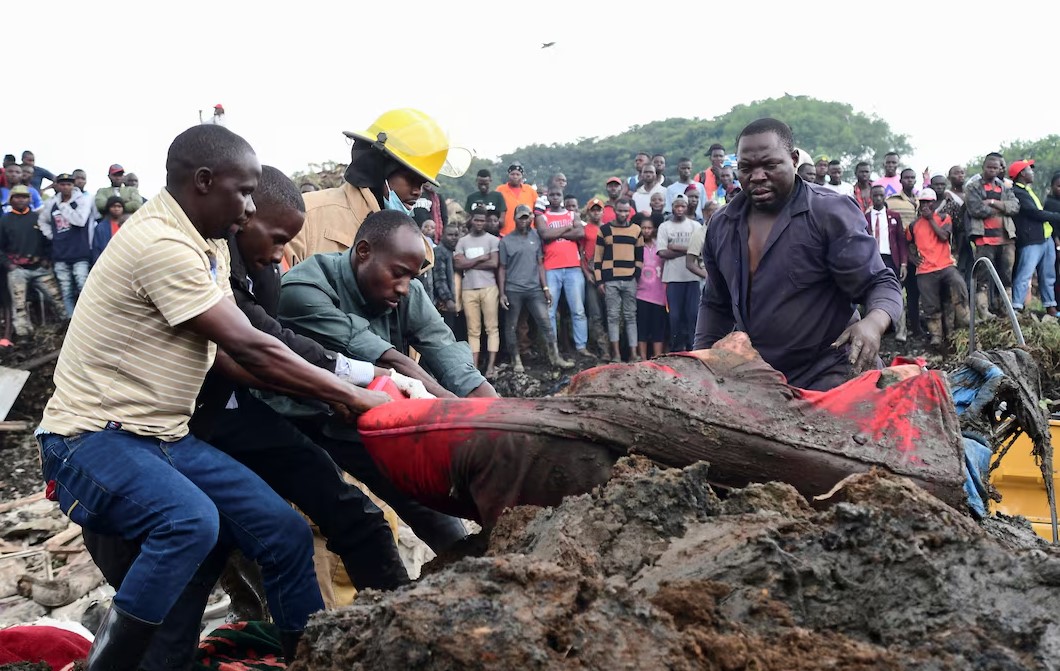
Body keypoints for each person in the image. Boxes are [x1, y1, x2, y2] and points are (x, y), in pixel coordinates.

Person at [36, 125, 391, 669]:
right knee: (190, 522)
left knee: (285, 532)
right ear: (204, 182)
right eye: (243, 191)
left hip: (166, 436)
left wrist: (333, 394)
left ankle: (304, 659)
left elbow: (228, 356)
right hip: (92, 436)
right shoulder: (160, 243)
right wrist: (356, 395)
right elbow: (249, 345)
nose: (249, 208)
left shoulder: (209, 247)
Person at [695, 118, 902, 391]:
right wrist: (699, 363)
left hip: (831, 370)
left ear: (793, 160)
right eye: (746, 168)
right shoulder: (722, 224)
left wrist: (873, 323)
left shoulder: (829, 213)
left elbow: (881, 283)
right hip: (760, 376)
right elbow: (715, 304)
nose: (757, 176)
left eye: (770, 165)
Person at [285, 108, 447, 266]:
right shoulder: (309, 213)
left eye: (422, 184)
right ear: (379, 168)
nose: (417, 192)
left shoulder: (409, 237)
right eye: (411, 179)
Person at [499, 204, 573, 372]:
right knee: (512, 325)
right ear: (515, 219)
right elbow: (502, 268)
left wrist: (545, 287)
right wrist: (502, 292)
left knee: (546, 323)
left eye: (527, 218)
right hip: (513, 288)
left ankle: (555, 357)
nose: (524, 221)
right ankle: (515, 359)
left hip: (534, 289)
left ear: (531, 219)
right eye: (521, 218)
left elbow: (540, 263)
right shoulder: (506, 241)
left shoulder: (536, 237)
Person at [906, 189, 969, 346]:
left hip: (945, 265)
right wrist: (912, 257)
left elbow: (943, 236)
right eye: (923, 202)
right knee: (930, 304)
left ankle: (962, 326)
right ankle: (936, 335)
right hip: (925, 270)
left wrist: (930, 219)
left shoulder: (943, 218)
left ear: (934, 203)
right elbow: (906, 243)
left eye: (928, 202)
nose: (925, 205)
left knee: (958, 287)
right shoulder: (913, 226)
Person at [0, 185, 65, 336]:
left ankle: (68, 325)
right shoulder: (4, 221)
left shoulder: (38, 218)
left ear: (30, 199)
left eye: (24, 197)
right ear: (11, 200)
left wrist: (47, 259)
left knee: (57, 298)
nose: (21, 200)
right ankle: (24, 336)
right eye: (17, 197)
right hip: (17, 270)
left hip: (40, 268)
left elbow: (48, 241)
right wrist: (8, 264)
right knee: (19, 305)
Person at [537, 185, 592, 358]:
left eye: (557, 194)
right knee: (550, 312)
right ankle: (552, 349)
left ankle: (581, 346)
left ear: (562, 196)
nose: (554, 197)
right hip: (551, 268)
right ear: (548, 197)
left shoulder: (572, 214)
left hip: (573, 268)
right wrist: (567, 229)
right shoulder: (541, 217)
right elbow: (544, 235)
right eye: (551, 194)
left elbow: (580, 232)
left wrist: (556, 233)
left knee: (578, 310)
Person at [965, 153, 1019, 320]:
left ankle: (1006, 310)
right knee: (983, 277)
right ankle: (984, 312)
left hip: (1006, 239)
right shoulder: (973, 187)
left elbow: (1015, 206)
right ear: (983, 167)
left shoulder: (1004, 187)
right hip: (984, 239)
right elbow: (975, 209)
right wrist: (1002, 208)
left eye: (996, 168)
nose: (992, 170)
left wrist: (994, 203)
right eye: (989, 167)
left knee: (1006, 277)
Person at [594, 198, 643, 362]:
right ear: (614, 210)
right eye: (620, 210)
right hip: (610, 280)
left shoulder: (636, 230)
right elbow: (597, 258)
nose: (623, 213)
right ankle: (616, 354)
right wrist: (600, 281)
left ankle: (634, 354)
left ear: (630, 212)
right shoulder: (604, 230)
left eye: (626, 211)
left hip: (629, 279)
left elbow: (639, 256)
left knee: (631, 316)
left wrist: (636, 274)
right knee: (613, 316)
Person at [1008, 159, 1058, 319]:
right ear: (1022, 174)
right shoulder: (1018, 192)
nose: (1032, 172)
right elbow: (1034, 213)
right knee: (1025, 273)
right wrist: (1057, 216)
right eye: (1030, 169)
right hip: (1031, 240)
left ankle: (1050, 306)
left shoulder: (1027, 190)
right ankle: (1016, 307)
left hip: (1044, 237)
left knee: (1048, 275)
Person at [454, 208, 501, 376]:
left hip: (489, 287)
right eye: (477, 220)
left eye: (482, 220)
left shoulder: (492, 240)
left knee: (491, 328)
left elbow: (494, 264)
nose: (479, 223)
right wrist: (481, 258)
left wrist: (468, 262)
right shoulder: (463, 241)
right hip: (468, 289)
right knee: (473, 330)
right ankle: (474, 368)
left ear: (486, 222)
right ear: (471, 220)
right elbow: (458, 265)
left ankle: (490, 366)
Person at [38, 174, 93, 316]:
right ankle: (70, 321)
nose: (65, 187)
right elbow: (42, 221)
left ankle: (87, 318)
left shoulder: (82, 201)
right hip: (60, 253)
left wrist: (63, 206)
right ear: (57, 186)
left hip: (80, 252)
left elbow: (80, 221)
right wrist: (52, 235)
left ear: (73, 185)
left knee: (83, 287)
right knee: (65, 289)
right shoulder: (51, 203)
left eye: (69, 184)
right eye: (62, 184)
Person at [656, 194, 703, 351]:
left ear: (687, 207)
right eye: (677, 206)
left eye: (683, 206)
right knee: (674, 316)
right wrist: (690, 251)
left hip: (693, 277)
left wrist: (674, 247)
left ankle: (692, 348)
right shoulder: (665, 227)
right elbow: (662, 252)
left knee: (692, 315)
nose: (680, 209)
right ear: (672, 208)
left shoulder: (695, 226)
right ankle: (676, 349)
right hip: (673, 278)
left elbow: (701, 250)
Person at [866, 185, 908, 342]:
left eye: (881, 195)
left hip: (890, 258)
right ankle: (877, 329)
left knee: (896, 291)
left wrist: (903, 263)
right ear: (871, 197)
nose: (878, 198)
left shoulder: (894, 216)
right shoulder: (865, 217)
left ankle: (901, 330)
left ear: (885, 197)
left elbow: (901, 241)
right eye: (875, 195)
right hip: (872, 259)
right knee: (873, 292)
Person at [885, 168, 921, 336]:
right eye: (906, 178)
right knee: (898, 289)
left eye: (913, 178)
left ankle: (916, 326)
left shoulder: (921, 201)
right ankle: (898, 329)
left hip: (920, 252)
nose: (910, 180)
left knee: (915, 291)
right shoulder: (892, 201)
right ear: (900, 180)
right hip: (901, 251)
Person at [580, 198, 610, 357]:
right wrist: (586, 273)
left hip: (607, 275)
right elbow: (580, 253)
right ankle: (603, 349)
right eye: (593, 209)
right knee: (595, 313)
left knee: (610, 313)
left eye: (599, 209)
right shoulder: (585, 230)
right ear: (589, 211)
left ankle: (615, 348)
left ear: (603, 211)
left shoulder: (609, 229)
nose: (596, 212)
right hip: (591, 275)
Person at [636, 213, 667, 360]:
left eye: (649, 228)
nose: (646, 230)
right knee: (642, 327)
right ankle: (642, 359)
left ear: (654, 229)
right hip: (640, 294)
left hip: (659, 294)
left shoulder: (659, 246)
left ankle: (657, 358)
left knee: (658, 328)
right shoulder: (636, 247)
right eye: (644, 228)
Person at [433, 223, 462, 339]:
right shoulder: (440, 251)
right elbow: (439, 277)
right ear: (443, 235)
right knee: (446, 334)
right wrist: (448, 299)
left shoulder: (453, 251)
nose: (454, 238)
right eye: (450, 235)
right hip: (445, 304)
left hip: (455, 302)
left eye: (456, 235)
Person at [495, 162, 538, 237]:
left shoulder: (530, 190)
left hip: (528, 234)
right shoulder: (500, 190)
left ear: (522, 176)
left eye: (518, 174)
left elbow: (537, 210)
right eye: (512, 174)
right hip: (505, 233)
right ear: (508, 175)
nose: (515, 177)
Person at [90, 196, 125, 264]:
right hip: (106, 262)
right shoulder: (101, 227)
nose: (116, 209)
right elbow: (96, 248)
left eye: (119, 206)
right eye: (113, 206)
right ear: (108, 208)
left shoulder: (127, 226)